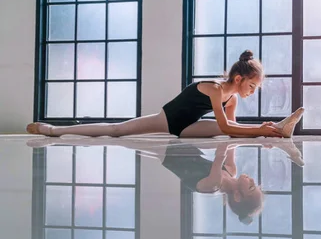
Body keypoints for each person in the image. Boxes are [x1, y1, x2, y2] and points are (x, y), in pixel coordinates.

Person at [26, 50, 304, 138]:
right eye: (252, 87)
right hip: (167, 120)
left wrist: (262, 128)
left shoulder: (231, 97)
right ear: (240, 78)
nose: (252, 93)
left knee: (225, 133)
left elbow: (230, 129)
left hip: (186, 129)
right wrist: (260, 130)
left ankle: (278, 128)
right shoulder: (216, 89)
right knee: (116, 130)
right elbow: (223, 124)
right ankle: (51, 129)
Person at [27, 137, 304, 225]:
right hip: (174, 146)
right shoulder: (229, 175)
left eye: (251, 185)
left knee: (121, 141)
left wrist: (236, 137)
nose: (251, 178)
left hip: (163, 154)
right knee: (123, 136)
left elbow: (222, 150)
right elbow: (230, 146)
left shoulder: (215, 186)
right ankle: (84, 137)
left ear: (238, 197)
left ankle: (77, 140)